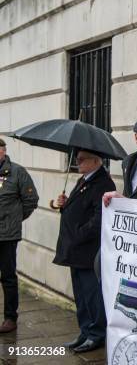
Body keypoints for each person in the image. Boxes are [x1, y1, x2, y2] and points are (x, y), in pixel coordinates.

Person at [54, 149, 115, 352]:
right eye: (77, 158)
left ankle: (96, 334)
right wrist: (61, 204)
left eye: (82, 159)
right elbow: (77, 208)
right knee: (80, 295)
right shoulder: (84, 180)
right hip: (74, 250)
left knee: (92, 295)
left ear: (96, 160)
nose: (77, 162)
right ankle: (84, 331)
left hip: (87, 251)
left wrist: (78, 235)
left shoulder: (103, 183)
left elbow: (99, 219)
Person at [0, 138, 39, 333]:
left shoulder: (17, 172)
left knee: (7, 276)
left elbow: (31, 199)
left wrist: (14, 219)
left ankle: (10, 317)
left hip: (7, 235)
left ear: (3, 151)